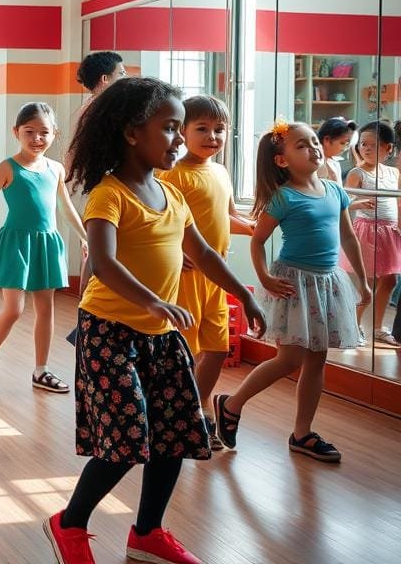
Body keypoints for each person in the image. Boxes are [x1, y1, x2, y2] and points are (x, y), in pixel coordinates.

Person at [44, 77, 264, 564]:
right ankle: (69, 523)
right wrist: (153, 301)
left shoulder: (171, 194)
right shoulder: (109, 194)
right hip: (109, 333)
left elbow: (203, 251)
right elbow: (102, 262)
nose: (180, 140)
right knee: (125, 440)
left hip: (161, 337)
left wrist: (242, 296)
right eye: (170, 129)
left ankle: (147, 533)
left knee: (175, 433)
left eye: (180, 130)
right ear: (130, 133)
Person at [215, 121, 369, 464]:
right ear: (282, 160)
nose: (313, 148)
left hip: (328, 282)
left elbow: (348, 238)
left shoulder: (335, 190)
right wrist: (265, 277)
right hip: (294, 283)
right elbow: (257, 242)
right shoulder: (284, 197)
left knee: (317, 360)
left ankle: (302, 433)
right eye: (302, 145)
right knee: (290, 358)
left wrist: (362, 280)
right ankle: (231, 404)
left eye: (314, 142)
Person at [153, 96, 255, 444]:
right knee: (186, 349)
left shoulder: (221, 172)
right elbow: (160, 220)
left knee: (217, 347)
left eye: (219, 129)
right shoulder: (171, 174)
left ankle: (196, 409)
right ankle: (183, 415)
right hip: (187, 277)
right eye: (202, 129)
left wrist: (257, 227)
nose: (212, 136)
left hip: (217, 276)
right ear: (182, 132)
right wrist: (173, 250)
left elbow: (227, 216)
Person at [0, 102, 87, 394]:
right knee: (14, 309)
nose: (37, 138)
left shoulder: (56, 169)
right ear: (17, 132)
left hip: (46, 243)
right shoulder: (7, 167)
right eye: (30, 132)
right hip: (16, 243)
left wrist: (85, 237)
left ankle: (41, 370)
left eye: (44, 133)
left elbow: (66, 209)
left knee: (45, 309)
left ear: (54, 134)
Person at [65, 50, 129, 347]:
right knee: (98, 253)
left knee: (96, 251)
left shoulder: (89, 108)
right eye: (122, 74)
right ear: (105, 80)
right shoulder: (100, 111)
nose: (125, 78)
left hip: (87, 189)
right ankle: (88, 322)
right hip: (94, 189)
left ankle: (87, 323)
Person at [341, 121, 401, 347]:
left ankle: (376, 327)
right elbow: (344, 203)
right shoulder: (357, 173)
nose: (365, 149)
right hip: (368, 230)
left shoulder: (393, 172)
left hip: (390, 231)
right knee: (366, 283)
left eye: (373, 145)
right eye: (363, 144)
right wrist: (358, 204)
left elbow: (397, 202)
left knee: (390, 280)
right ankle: (353, 326)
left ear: (388, 148)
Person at [316, 117, 357, 183]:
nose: (344, 147)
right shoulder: (314, 163)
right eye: (342, 143)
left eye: (346, 144)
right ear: (327, 140)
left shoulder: (335, 163)